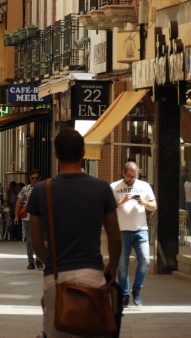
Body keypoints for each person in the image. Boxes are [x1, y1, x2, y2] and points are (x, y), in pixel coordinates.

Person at [29, 128, 121, 338]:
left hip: (57, 279)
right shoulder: (101, 188)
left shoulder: (42, 190)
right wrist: (112, 268)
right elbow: (115, 236)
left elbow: (36, 241)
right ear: (83, 153)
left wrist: (52, 261)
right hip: (92, 276)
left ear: (56, 154)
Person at [111, 161, 157, 307]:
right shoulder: (114, 187)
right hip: (122, 230)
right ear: (123, 173)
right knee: (122, 266)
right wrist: (123, 201)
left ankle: (136, 290)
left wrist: (143, 202)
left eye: (134, 176)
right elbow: (107, 207)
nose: (132, 179)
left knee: (145, 261)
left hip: (141, 230)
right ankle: (124, 295)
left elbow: (154, 206)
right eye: (129, 176)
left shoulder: (144, 186)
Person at [14, 169, 42, 270]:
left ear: (40, 179)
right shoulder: (25, 189)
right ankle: (31, 261)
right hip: (27, 217)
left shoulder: (43, 189)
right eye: (32, 178)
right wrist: (16, 215)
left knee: (39, 238)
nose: (34, 180)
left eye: (36, 178)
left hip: (39, 217)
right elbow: (18, 202)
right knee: (29, 240)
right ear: (30, 179)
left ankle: (39, 260)